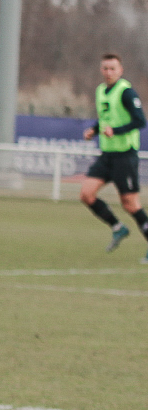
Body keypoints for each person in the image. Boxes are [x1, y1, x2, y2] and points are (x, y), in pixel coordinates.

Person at [79, 52, 147, 260]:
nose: (108, 72)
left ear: (120, 70)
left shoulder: (126, 92)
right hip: (107, 155)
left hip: (125, 155)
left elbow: (140, 121)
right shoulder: (101, 91)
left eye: (112, 68)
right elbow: (106, 119)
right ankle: (118, 227)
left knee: (129, 203)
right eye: (105, 68)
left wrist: (116, 131)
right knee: (86, 194)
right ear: (101, 70)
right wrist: (94, 129)